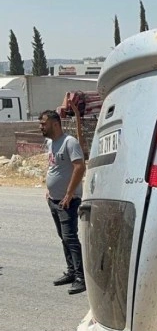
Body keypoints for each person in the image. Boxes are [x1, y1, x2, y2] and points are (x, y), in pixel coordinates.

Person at [39, 109, 86, 295]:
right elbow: (54, 167)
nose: (41, 127)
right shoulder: (51, 143)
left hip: (68, 201)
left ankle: (81, 278)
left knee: (70, 238)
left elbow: (79, 167)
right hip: (54, 200)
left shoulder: (69, 142)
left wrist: (69, 193)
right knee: (63, 238)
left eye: (44, 123)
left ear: (55, 124)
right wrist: (50, 190)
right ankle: (71, 272)